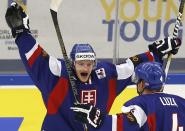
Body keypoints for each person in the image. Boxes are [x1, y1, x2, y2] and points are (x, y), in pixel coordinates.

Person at [5, 2, 181, 131]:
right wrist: (21, 32)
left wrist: (156, 52)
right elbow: (35, 58)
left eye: (89, 64)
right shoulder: (57, 73)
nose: (86, 68)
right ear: (73, 63)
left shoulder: (105, 75)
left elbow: (130, 67)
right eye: (81, 63)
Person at [72, 62, 185, 130]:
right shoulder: (181, 102)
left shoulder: (141, 103)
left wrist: (98, 119)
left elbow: (122, 127)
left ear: (141, 84)